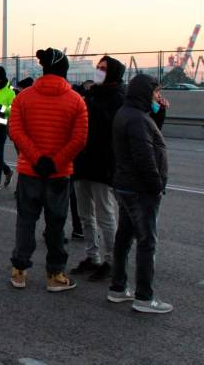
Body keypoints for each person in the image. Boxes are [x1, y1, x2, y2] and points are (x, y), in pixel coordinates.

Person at [8, 48, 88, 292]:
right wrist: (55, 162)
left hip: (30, 171)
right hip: (58, 174)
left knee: (26, 222)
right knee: (56, 225)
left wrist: (36, 158)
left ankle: (19, 272)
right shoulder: (76, 100)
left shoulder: (23, 97)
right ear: (64, 70)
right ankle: (55, 275)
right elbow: (79, 138)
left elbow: (16, 130)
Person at [109, 74, 172, 313]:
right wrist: (156, 185)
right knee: (147, 242)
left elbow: (147, 138)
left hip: (125, 185)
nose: (159, 97)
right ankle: (144, 297)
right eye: (156, 93)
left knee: (124, 237)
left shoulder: (130, 114)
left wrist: (159, 114)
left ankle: (118, 287)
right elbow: (144, 156)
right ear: (145, 93)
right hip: (140, 189)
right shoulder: (136, 119)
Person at [71, 56, 126, 282]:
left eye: (103, 69)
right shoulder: (92, 93)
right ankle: (92, 256)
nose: (99, 72)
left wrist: (89, 103)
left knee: (105, 215)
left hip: (103, 163)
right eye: (98, 68)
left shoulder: (118, 97)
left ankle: (111, 260)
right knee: (85, 215)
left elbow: (108, 124)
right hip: (83, 161)